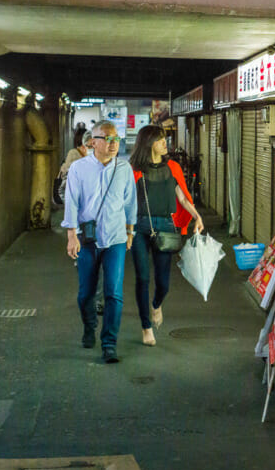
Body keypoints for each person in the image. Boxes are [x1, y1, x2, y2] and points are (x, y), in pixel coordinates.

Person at [61, 122, 137, 364]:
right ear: (92, 142)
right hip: (87, 239)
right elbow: (71, 202)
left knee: (114, 293)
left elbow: (130, 202)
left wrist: (130, 231)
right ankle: (89, 325)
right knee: (85, 294)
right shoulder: (78, 169)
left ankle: (109, 343)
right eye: (107, 138)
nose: (113, 143)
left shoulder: (124, 169)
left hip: (115, 238)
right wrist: (71, 235)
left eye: (116, 138)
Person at [130, 124, 204, 346]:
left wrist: (197, 216)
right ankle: (146, 327)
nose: (166, 143)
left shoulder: (172, 167)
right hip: (140, 227)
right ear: (149, 143)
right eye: (161, 140)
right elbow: (124, 200)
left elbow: (182, 197)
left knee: (163, 283)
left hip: (165, 226)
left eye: (165, 140)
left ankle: (156, 304)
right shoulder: (134, 168)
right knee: (142, 278)